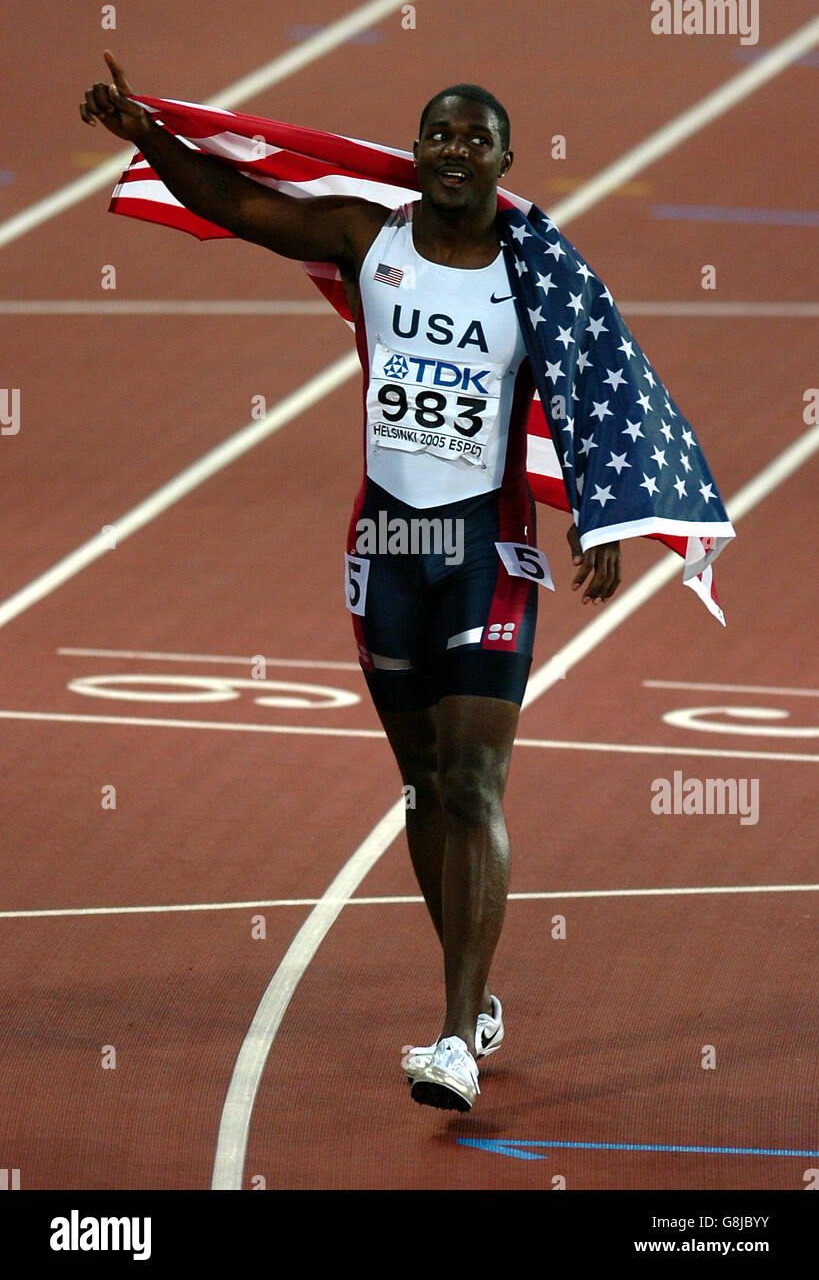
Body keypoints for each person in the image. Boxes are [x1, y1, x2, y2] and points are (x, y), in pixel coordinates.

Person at [81, 54, 622, 1112]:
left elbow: (588, 390)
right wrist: (148, 134)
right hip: (384, 546)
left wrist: (595, 515)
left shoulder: (533, 275)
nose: (454, 149)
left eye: (475, 138)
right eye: (438, 133)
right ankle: (474, 988)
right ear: (417, 155)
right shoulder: (364, 239)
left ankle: (457, 1037)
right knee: (423, 782)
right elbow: (239, 203)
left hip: (486, 549)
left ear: (505, 161)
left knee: (472, 781)